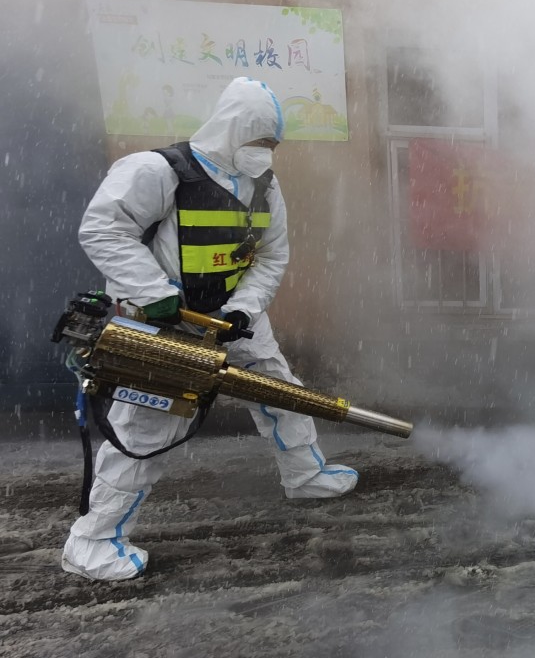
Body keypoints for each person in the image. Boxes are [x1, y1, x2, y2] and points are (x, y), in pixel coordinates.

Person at [62, 77, 358, 581]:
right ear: (229, 128)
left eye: (271, 144)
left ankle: (305, 475)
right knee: (147, 429)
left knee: (280, 390)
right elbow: (103, 228)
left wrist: (243, 309)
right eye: (257, 140)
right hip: (166, 324)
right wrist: (155, 294)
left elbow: (270, 255)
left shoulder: (265, 186)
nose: (264, 153)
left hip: (231, 320)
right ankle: (92, 541)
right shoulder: (161, 172)